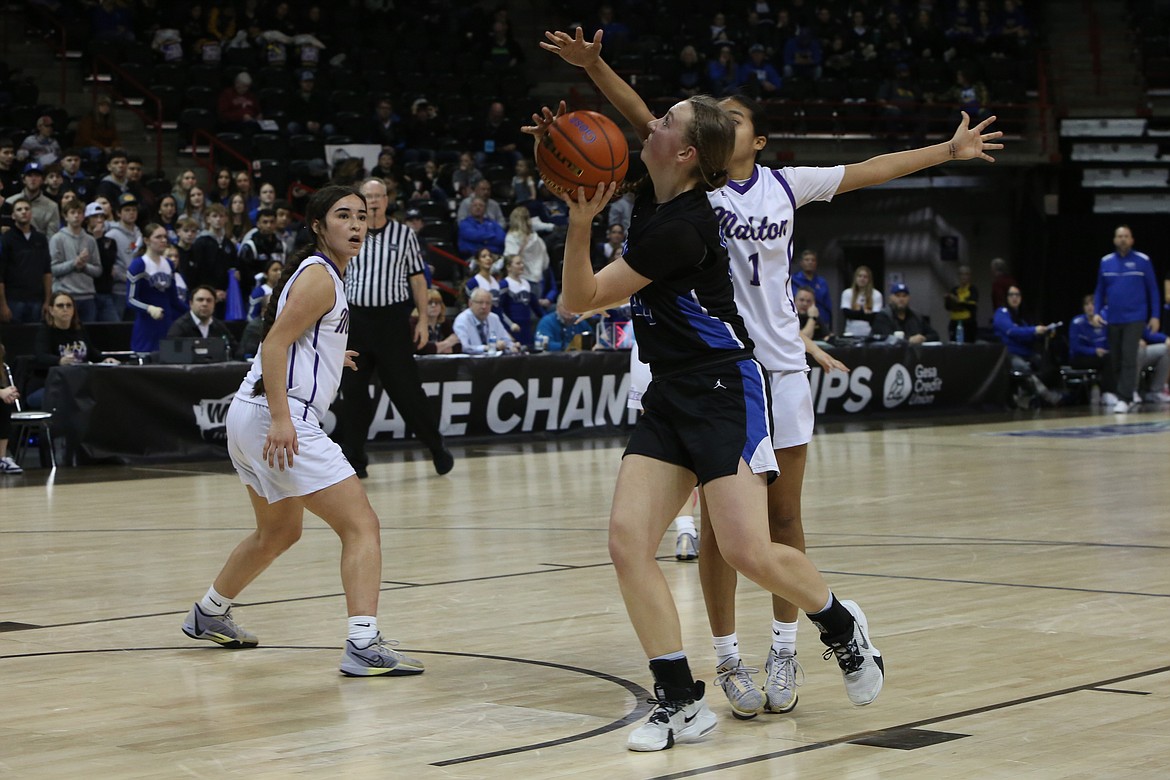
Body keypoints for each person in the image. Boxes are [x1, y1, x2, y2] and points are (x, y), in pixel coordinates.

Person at [536, 27, 885, 752]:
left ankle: (840, 623)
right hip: (672, 390)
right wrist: (568, 154)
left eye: (665, 122)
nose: (652, 123)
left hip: (726, 387)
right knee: (628, 541)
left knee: (751, 549)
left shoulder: (684, 227)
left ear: (688, 153)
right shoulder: (655, 188)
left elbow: (582, 299)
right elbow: (613, 142)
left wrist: (578, 226)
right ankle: (680, 699)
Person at [180, 185, 425, 678]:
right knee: (362, 525)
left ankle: (209, 612)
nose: (357, 224)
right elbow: (274, 346)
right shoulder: (320, 276)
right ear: (318, 225)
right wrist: (282, 419)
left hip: (248, 415)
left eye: (362, 216)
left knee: (279, 530)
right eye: (343, 216)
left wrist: (336, 355)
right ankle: (363, 644)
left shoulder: (324, 273)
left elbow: (299, 342)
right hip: (276, 414)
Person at [338, 178, 453, 480]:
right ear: (360, 202)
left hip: (392, 321)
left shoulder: (404, 235)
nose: (373, 201)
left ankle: (436, 447)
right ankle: (355, 459)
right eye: (368, 197)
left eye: (378, 196)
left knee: (407, 392)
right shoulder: (349, 233)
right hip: (356, 322)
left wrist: (424, 322)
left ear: (387, 200)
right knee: (353, 392)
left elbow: (418, 280)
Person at [1091, 225, 1161, 414]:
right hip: (1113, 318)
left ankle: (1125, 397)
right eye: (1119, 236)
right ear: (1114, 240)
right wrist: (1096, 312)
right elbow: (1099, 290)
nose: (1122, 239)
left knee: (1129, 355)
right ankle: (1127, 391)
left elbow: (1153, 290)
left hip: (1135, 317)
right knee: (1116, 358)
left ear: (1132, 240)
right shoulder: (1105, 262)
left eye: (1126, 236)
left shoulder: (1143, 261)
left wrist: (1155, 316)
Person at [994, 285, 1062, 407]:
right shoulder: (1001, 313)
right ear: (1007, 297)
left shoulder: (1023, 318)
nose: (1014, 298)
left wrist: (1043, 332)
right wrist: (1033, 330)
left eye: (1017, 295)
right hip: (1010, 353)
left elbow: (1027, 336)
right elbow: (1012, 332)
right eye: (1011, 295)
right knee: (1021, 366)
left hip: (1027, 352)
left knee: (1047, 364)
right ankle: (1045, 395)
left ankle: (1030, 397)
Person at [127, 223, 187, 353]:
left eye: (165, 237)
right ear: (147, 240)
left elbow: (174, 300)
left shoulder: (169, 264)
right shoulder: (139, 265)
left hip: (166, 324)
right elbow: (131, 299)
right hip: (146, 324)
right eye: (158, 237)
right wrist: (148, 308)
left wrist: (192, 313)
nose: (163, 240)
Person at [0, 197, 53, 324]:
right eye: (19, 209)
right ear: (13, 215)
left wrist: (47, 301)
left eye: (27, 209)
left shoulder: (40, 239)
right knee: (15, 339)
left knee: (36, 339)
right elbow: (0, 275)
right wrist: (2, 305)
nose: (24, 212)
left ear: (31, 213)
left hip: (37, 300)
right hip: (13, 300)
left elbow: (47, 272)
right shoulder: (6, 239)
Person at [49, 200, 102, 323]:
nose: (76, 216)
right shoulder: (57, 239)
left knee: (88, 336)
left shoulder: (90, 240)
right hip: (65, 296)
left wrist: (84, 266)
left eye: (79, 213)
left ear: (84, 216)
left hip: (88, 295)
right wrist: (74, 263)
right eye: (72, 212)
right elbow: (53, 269)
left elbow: (98, 270)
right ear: (65, 216)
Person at [1068, 294, 1117, 406]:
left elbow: (1108, 343)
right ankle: (1107, 393)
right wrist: (1094, 351)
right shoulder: (1077, 322)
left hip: (1100, 356)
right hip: (1079, 357)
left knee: (1114, 357)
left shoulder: (1103, 322)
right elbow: (1075, 347)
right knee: (1107, 359)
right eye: (1087, 304)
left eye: (1093, 304)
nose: (1090, 307)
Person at [167, 284, 240, 358]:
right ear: (191, 303)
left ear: (214, 304)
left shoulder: (220, 327)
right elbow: (171, 355)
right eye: (200, 300)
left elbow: (235, 350)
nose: (205, 304)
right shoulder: (179, 327)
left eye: (209, 300)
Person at [105, 193, 143, 320]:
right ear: (118, 213)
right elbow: (109, 264)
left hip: (137, 290)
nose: (131, 213)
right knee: (119, 328)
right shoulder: (112, 235)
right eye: (127, 210)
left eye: (134, 210)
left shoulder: (139, 235)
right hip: (119, 290)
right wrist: (122, 277)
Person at [503, 205, 551, 305]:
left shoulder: (512, 238)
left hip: (521, 281)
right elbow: (546, 263)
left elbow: (508, 259)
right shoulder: (538, 239)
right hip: (537, 282)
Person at [84, 201, 121, 323]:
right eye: (95, 216)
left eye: (102, 217)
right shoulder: (81, 238)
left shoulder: (110, 241)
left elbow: (106, 264)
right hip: (87, 293)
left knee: (115, 328)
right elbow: (88, 261)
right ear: (87, 219)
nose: (99, 220)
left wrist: (99, 240)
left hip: (105, 292)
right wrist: (96, 239)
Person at [452, 287, 517, 354]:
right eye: (480, 302)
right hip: (471, 362)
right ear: (470, 303)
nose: (484, 307)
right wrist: (486, 348)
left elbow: (506, 340)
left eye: (488, 303)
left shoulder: (494, 318)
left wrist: (510, 346)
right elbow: (464, 347)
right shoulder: (462, 320)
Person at [498, 255, 543, 347]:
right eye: (518, 263)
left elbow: (536, 306)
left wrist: (546, 318)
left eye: (522, 263)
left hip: (526, 326)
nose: (521, 265)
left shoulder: (526, 284)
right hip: (513, 327)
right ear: (508, 267)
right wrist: (510, 325)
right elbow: (499, 309)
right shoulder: (504, 284)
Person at [872, 283, 939, 343]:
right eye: (898, 296)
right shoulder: (883, 316)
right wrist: (909, 340)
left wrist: (923, 338)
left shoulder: (916, 316)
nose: (901, 299)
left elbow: (934, 335)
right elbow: (886, 337)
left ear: (909, 298)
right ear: (890, 298)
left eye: (904, 296)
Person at [790, 250, 834, 332]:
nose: (810, 262)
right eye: (807, 260)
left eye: (813, 260)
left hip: (820, 322)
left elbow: (828, 306)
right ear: (801, 263)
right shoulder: (793, 280)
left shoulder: (822, 282)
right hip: (799, 322)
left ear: (816, 263)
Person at [16, 162, 61, 236]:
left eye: (37, 176)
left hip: (39, 246)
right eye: (30, 175)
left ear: (42, 180)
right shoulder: (10, 202)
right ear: (23, 180)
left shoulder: (52, 206)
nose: (33, 179)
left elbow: (52, 236)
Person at [411, 289, 460, 355]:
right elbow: (419, 348)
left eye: (437, 303)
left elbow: (457, 346)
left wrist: (438, 348)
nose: (434, 306)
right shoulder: (414, 323)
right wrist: (446, 343)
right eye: (429, 303)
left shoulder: (445, 322)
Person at [840, 265, 882, 339]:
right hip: (850, 333)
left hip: (869, 334)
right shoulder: (847, 293)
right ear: (855, 278)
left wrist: (856, 312)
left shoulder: (876, 294)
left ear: (869, 279)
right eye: (860, 276)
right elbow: (847, 313)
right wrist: (864, 313)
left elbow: (875, 317)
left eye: (865, 277)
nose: (862, 279)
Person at [75, 95, 121, 159]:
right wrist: (103, 148)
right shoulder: (88, 120)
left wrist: (114, 147)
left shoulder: (110, 121)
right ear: (97, 107)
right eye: (102, 105)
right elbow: (86, 139)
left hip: (106, 147)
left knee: (120, 152)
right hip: (86, 147)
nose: (105, 107)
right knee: (96, 152)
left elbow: (115, 138)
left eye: (107, 106)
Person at [944, 264, 978, 343]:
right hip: (954, 323)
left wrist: (957, 301)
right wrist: (949, 300)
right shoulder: (954, 290)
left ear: (969, 276)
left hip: (968, 325)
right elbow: (948, 307)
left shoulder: (972, 289)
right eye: (961, 274)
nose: (964, 277)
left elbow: (971, 305)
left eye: (966, 274)